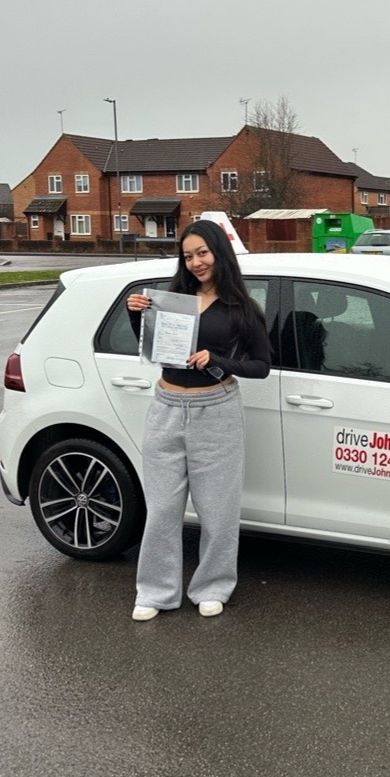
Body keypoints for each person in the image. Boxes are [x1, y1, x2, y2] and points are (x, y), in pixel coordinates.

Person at [125, 219, 270, 621]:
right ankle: (155, 592)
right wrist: (136, 314)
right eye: (188, 256)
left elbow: (261, 366)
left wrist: (219, 361)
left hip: (216, 410)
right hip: (166, 407)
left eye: (202, 253)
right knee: (162, 508)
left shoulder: (241, 308)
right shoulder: (172, 299)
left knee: (218, 509)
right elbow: (155, 348)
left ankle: (213, 586)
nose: (195, 262)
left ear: (218, 253)